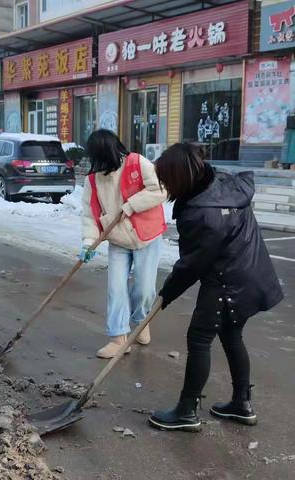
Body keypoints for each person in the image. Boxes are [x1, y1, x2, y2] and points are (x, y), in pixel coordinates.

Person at [149, 143, 284, 432]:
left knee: (199, 338)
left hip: (227, 279)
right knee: (231, 334)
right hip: (251, 271)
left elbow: (192, 265)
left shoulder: (203, 214)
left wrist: (165, 295)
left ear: (180, 177)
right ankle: (241, 403)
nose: (165, 185)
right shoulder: (222, 182)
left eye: (167, 179)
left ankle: (186, 411)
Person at [80, 129, 167, 358]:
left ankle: (140, 321)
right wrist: (88, 242)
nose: (94, 163)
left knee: (144, 289)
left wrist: (131, 205)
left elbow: (160, 190)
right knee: (116, 288)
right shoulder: (93, 178)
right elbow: (89, 213)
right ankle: (118, 337)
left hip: (146, 235)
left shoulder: (138, 163)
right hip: (117, 239)